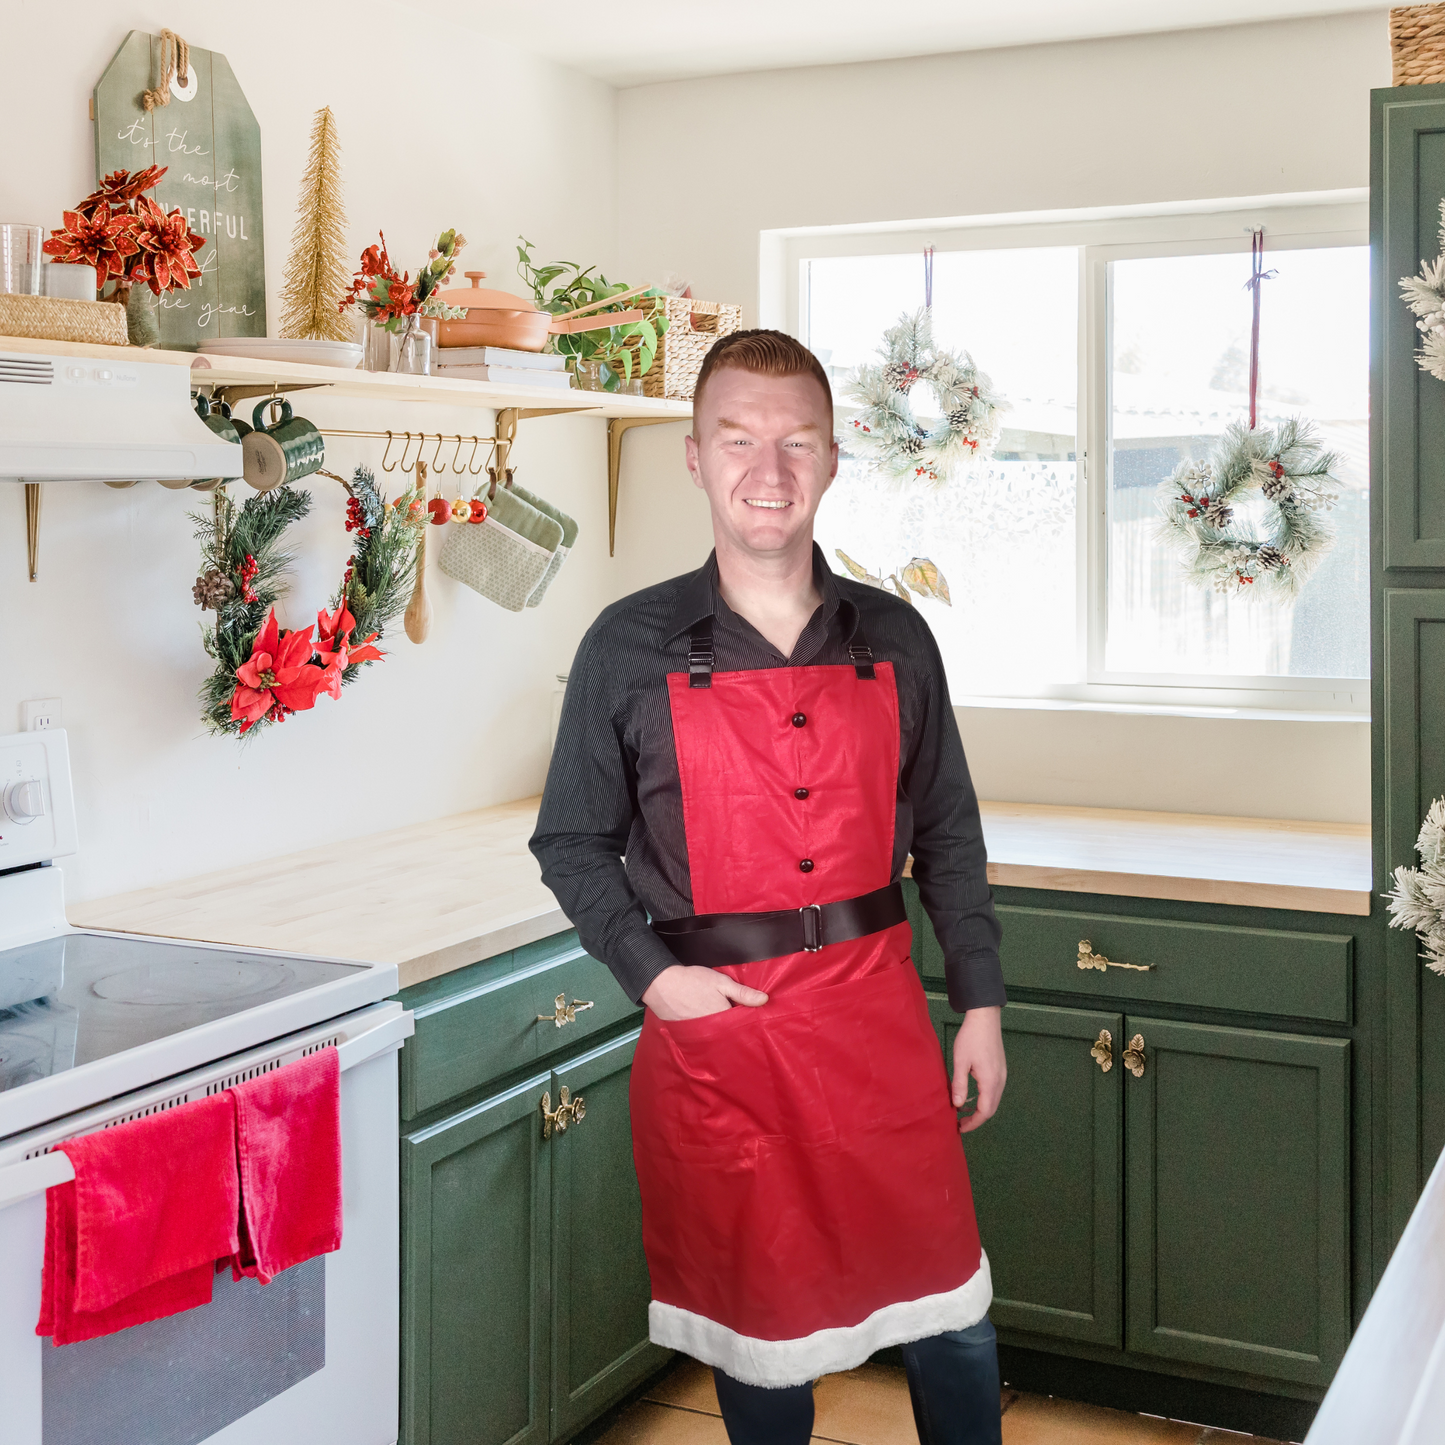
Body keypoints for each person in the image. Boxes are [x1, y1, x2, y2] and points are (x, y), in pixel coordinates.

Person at [530, 329, 1007, 1445]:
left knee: (952, 1310)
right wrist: (655, 980)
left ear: (833, 459)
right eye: (738, 438)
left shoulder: (893, 637)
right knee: (761, 1321)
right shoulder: (627, 645)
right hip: (724, 1038)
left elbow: (945, 830)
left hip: (875, 1016)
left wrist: (977, 1000)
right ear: (693, 457)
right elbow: (570, 842)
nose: (769, 468)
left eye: (796, 441)